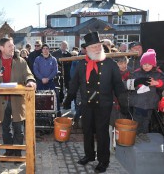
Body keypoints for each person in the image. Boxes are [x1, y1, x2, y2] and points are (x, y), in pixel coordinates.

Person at [63, 32, 127, 173]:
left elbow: (118, 85)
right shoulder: (81, 65)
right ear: (87, 49)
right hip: (86, 104)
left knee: (102, 133)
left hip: (103, 105)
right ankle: (89, 155)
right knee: (87, 131)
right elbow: (73, 84)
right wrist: (68, 99)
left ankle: (104, 160)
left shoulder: (110, 64)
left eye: (99, 46)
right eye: (94, 47)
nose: (97, 49)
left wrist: (124, 104)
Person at [0, 37, 36, 157]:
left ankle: (17, 152)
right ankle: (9, 150)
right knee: (5, 128)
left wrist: (30, 81)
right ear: (1, 48)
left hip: (17, 100)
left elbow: (28, 74)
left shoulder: (21, 61)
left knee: (19, 128)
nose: (13, 47)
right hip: (2, 101)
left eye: (13, 45)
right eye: (9, 46)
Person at [126, 49, 164, 142]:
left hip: (150, 102)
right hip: (138, 102)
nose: (146, 66)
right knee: (137, 119)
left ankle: (144, 133)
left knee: (146, 120)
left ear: (153, 65)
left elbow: (162, 84)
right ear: (141, 64)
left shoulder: (158, 74)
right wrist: (137, 84)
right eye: (144, 64)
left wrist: (157, 83)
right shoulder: (136, 73)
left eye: (149, 64)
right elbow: (129, 85)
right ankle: (135, 134)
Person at [33, 44, 60, 116]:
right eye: (44, 48)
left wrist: (48, 78)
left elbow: (55, 70)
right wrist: (42, 78)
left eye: (46, 48)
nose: (45, 50)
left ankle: (56, 113)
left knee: (54, 97)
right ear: (41, 50)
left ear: (49, 49)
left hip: (50, 81)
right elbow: (35, 70)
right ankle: (39, 114)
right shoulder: (37, 59)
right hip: (40, 81)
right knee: (39, 97)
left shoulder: (53, 59)